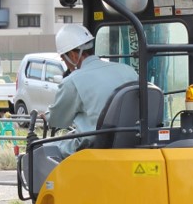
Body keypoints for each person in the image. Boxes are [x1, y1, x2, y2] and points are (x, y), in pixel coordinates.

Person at [45, 24, 138, 157]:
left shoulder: (73, 81)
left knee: (41, 149)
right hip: (132, 140)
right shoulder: (127, 70)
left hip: (95, 145)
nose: (65, 63)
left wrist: (46, 115)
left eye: (63, 59)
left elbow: (58, 120)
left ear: (73, 55)